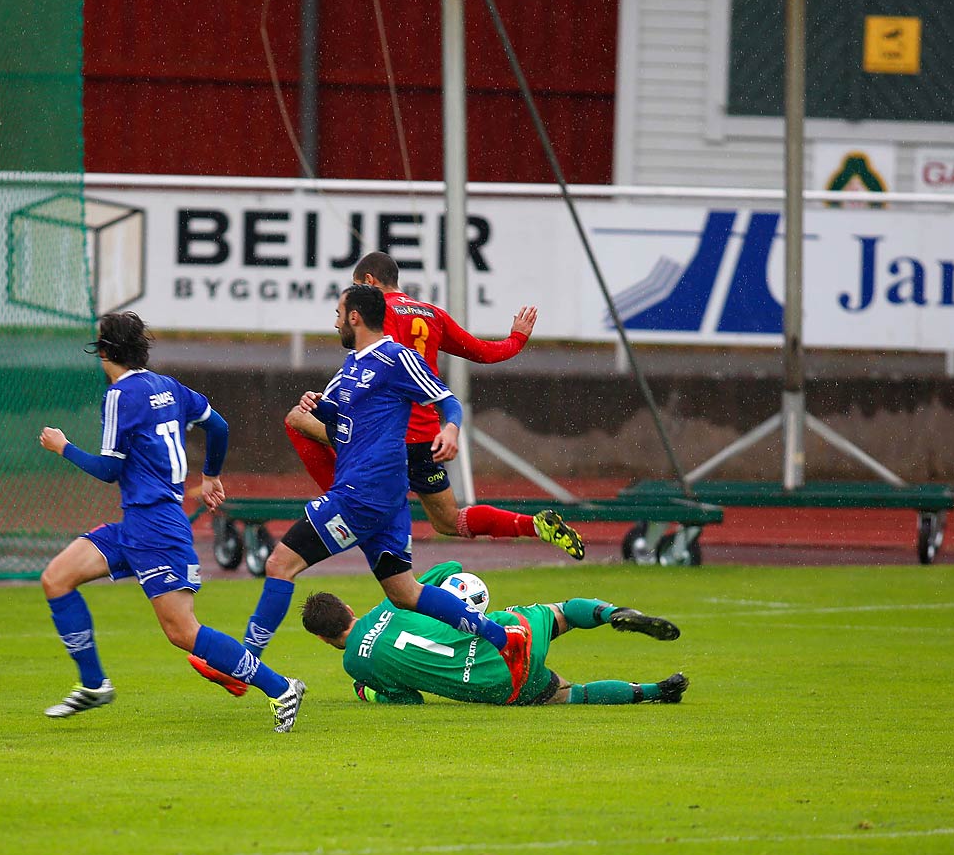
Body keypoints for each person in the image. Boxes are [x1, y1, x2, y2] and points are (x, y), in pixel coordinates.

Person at [197, 284, 529, 697]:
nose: (334, 319)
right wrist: (320, 406)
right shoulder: (351, 367)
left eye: (338, 312)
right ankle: (504, 639)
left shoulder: (396, 357)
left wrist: (450, 428)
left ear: (355, 316)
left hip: (363, 492)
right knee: (405, 593)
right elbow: (345, 423)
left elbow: (448, 401)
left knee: (280, 564)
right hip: (379, 497)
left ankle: (243, 668)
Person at [38, 311, 307, 732]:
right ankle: (93, 684)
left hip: (156, 528)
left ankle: (281, 687)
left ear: (105, 351)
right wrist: (212, 475)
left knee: (183, 630)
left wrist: (64, 447)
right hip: (137, 525)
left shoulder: (119, 395)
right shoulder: (168, 387)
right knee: (56, 578)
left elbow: (111, 470)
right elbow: (218, 426)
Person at [283, 250, 586, 560]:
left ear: (370, 282)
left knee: (296, 418)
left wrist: (331, 398)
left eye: (357, 288)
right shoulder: (432, 314)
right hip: (425, 439)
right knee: (449, 520)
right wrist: (517, 339)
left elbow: (371, 365)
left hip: (384, 432)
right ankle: (533, 526)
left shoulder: (376, 315)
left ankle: (344, 503)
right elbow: (482, 352)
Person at [299, 560, 689, 707]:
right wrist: (452, 592)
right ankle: (612, 613)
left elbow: (407, 700)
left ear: (321, 638)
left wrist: (366, 691)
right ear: (350, 608)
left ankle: (654, 692)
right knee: (563, 612)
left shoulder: (354, 662)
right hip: (505, 636)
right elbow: (450, 564)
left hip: (493, 683)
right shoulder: (391, 602)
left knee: (570, 695)